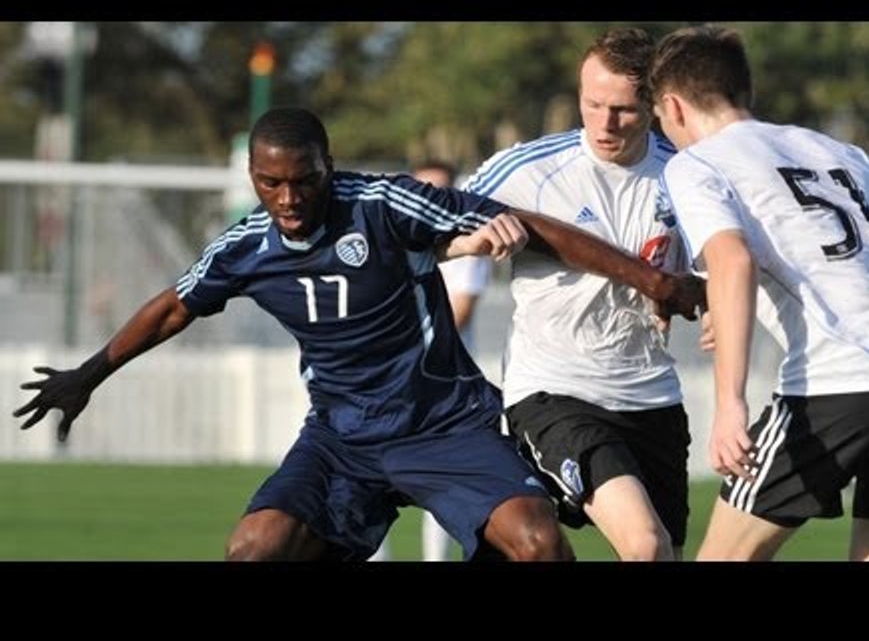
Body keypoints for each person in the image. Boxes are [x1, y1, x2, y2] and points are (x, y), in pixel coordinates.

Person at [13, 107, 703, 561]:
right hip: (342, 439)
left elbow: (533, 227)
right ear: (253, 177)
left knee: (537, 543)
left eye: (304, 181)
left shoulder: (380, 204)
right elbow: (172, 307)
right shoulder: (245, 247)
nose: (288, 200)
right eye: (270, 183)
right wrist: (86, 376)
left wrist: (654, 282)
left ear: (328, 168)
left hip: (446, 426)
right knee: (255, 547)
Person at [651, 25, 869, 561]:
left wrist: (729, 406)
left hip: (841, 377)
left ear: (673, 107)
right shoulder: (838, 151)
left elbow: (733, 261)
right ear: (741, 90)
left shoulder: (697, 164)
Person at [464, 28, 698, 561]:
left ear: (657, 105)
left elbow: (719, 269)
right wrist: (469, 243)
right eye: (592, 104)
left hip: (652, 396)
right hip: (555, 391)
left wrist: (702, 296)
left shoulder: (688, 173)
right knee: (644, 542)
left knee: (662, 552)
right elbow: (432, 226)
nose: (604, 123)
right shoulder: (526, 170)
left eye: (623, 110)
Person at [370, 159, 492, 561]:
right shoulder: (384, 240)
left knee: (444, 488)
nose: (430, 200)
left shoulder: (469, 244)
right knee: (369, 485)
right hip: (385, 386)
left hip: (442, 388)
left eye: (440, 190)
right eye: (423, 189)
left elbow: (458, 313)